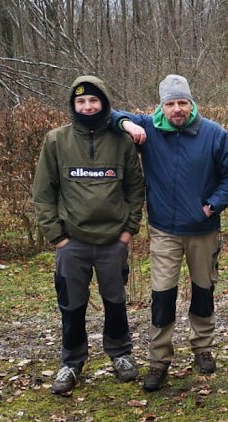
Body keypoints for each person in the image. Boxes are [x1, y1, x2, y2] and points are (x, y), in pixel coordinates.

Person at [114, 74, 228, 391]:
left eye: (182, 102)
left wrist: (211, 206)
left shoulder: (214, 134)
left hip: (203, 229)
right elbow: (108, 114)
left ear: (191, 102)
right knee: (162, 295)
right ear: (161, 105)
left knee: (203, 292)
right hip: (163, 230)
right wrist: (127, 126)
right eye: (170, 103)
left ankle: (203, 349)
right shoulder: (149, 129)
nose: (177, 109)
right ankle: (159, 361)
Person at [32, 75, 145, 395]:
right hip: (73, 243)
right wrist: (57, 237)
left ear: (104, 102)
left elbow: (135, 189)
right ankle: (71, 362)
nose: (87, 106)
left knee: (116, 302)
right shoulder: (56, 140)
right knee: (72, 305)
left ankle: (121, 355)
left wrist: (128, 231)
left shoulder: (121, 141)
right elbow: (43, 193)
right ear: (73, 105)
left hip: (113, 242)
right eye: (81, 101)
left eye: (93, 100)